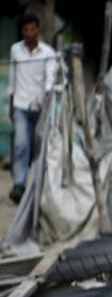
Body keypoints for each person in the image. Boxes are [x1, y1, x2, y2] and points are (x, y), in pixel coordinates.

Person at [7, 14, 57, 203]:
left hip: (41, 106)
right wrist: (11, 104)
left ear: (38, 29)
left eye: (32, 29)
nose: (29, 33)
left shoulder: (48, 52)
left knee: (38, 147)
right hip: (20, 104)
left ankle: (37, 184)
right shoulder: (15, 51)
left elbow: (50, 79)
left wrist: (47, 100)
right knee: (21, 144)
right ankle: (19, 184)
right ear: (22, 31)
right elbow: (13, 77)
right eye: (26, 30)